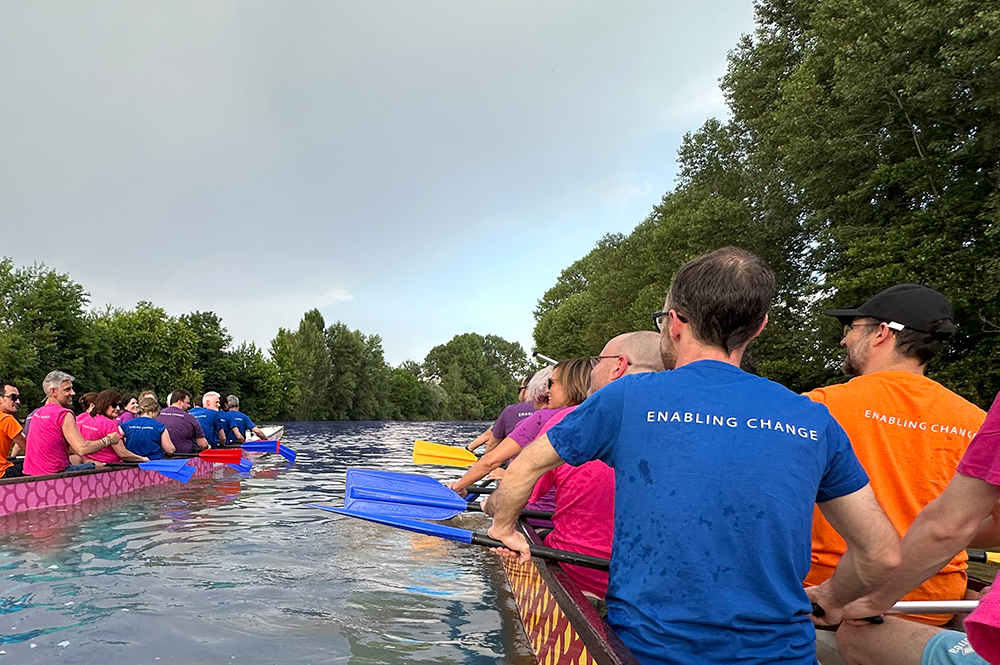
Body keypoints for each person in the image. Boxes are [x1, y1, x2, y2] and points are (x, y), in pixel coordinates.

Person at [487, 247, 901, 665]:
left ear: (675, 321)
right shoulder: (813, 417)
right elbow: (881, 553)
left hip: (647, 651)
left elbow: (524, 466)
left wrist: (504, 528)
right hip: (783, 653)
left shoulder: (627, 397)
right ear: (759, 327)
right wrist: (829, 598)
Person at [804, 284, 986, 629]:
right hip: (934, 606)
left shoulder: (819, 406)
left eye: (852, 329)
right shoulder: (976, 422)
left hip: (830, 601)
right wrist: (915, 531)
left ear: (881, 333)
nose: (844, 340)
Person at [482, 331, 665, 600]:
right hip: (649, 588)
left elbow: (519, 483)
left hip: (579, 574)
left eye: (596, 361)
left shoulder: (570, 420)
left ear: (618, 366)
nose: (592, 370)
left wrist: (492, 510)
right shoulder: (685, 426)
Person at [828, 389, 1000, 665]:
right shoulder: (974, 416)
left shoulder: (820, 403)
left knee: (855, 634)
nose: (843, 341)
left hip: (844, 590)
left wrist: (873, 602)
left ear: (879, 341)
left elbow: (948, 527)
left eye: (850, 339)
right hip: (941, 598)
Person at [450, 360, 590, 495]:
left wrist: (457, 487)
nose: (548, 390)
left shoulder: (541, 418)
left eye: (551, 383)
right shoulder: (593, 416)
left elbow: (491, 461)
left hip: (535, 508)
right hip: (577, 501)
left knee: (489, 504)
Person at [24, 371, 119, 475]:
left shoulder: (37, 413)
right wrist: (108, 440)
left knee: (77, 459)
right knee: (98, 465)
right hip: (55, 475)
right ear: (53, 392)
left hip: (30, 472)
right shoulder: (64, 414)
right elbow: (82, 448)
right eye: (67, 389)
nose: (73, 393)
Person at [466, 371, 544, 454]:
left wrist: (480, 457)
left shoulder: (511, 411)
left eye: (520, 390)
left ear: (527, 389)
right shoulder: (551, 411)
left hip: (512, 463)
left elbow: (492, 441)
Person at [77, 389, 145, 464]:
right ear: (105, 404)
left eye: (119, 405)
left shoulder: (86, 418)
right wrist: (143, 459)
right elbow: (122, 453)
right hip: (110, 466)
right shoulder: (109, 424)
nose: (118, 408)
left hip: (88, 463)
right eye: (114, 405)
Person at [119, 395, 175, 460]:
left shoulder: (127, 424)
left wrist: (123, 450)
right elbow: (170, 450)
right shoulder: (159, 427)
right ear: (154, 411)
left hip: (132, 464)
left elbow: (114, 436)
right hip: (153, 463)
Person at [156, 389, 208, 454]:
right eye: (187, 403)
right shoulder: (190, 418)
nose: (189, 406)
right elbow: (203, 444)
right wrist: (208, 447)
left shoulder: (158, 415)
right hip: (185, 458)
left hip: (161, 458)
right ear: (180, 402)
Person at [0, 379, 27, 478]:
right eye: (13, 397)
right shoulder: (7, 419)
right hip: (2, 473)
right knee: (41, 464)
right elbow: (27, 447)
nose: (18, 401)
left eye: (18, 398)